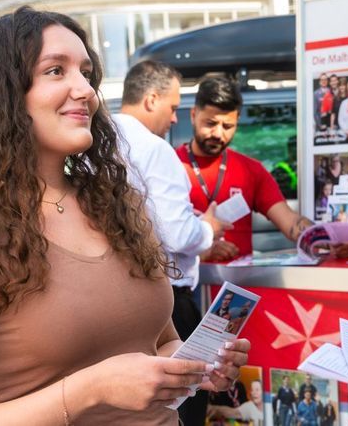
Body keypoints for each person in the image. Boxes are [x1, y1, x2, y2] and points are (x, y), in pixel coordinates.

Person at [0, 6, 250, 424]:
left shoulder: (117, 204)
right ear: (1, 94)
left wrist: (196, 363)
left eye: (86, 72)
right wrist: (90, 390)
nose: (85, 90)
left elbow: (160, 343)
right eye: (55, 71)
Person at [114, 59, 232, 425]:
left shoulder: (97, 141)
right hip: (169, 303)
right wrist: (209, 227)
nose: (175, 118)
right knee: (183, 404)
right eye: (173, 107)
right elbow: (178, 233)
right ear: (151, 99)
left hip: (118, 303)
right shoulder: (154, 148)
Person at [176, 76, 348, 261]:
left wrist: (328, 238)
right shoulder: (169, 166)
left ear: (237, 120)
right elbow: (155, 245)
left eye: (228, 126)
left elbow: (290, 222)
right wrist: (202, 251)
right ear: (193, 115)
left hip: (239, 286)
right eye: (211, 123)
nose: (219, 134)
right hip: (184, 288)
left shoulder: (250, 170)